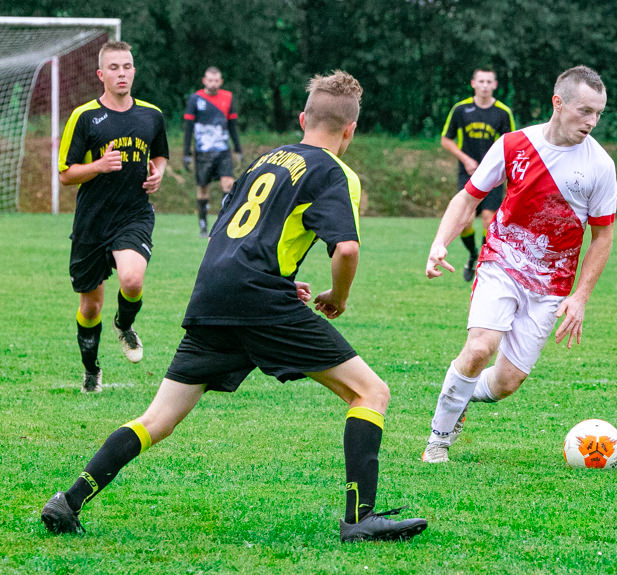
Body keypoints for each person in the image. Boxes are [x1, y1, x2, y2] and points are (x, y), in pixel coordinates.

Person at [41, 70, 428, 544]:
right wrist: (337, 297)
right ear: (350, 130)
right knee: (371, 393)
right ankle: (360, 519)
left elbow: (234, 227)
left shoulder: (265, 161)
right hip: (260, 299)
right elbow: (345, 249)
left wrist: (281, 278)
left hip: (215, 294)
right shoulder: (335, 171)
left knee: (156, 419)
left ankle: (69, 499)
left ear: (303, 117)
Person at [421, 65, 617, 463]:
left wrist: (580, 296)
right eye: (584, 111)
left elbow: (602, 237)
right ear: (557, 103)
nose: (592, 122)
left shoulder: (600, 166)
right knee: (479, 348)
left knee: (507, 383)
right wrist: (440, 242)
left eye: (598, 113)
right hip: (502, 262)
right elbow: (468, 198)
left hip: (552, 283)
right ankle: (438, 441)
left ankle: (460, 394)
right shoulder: (514, 144)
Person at [58, 41, 169, 393]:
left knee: (132, 280)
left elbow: (161, 155)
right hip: (92, 222)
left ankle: (125, 324)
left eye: (128, 66)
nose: (122, 73)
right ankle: (91, 370)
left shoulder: (151, 115)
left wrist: (159, 173)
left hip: (133, 215)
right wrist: (99, 166)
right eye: (115, 68)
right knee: (90, 308)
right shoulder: (85, 116)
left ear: (134, 70)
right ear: (101, 74)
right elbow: (65, 173)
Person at [441, 68, 516, 282]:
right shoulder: (461, 109)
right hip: (468, 174)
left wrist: (503, 169)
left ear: (495, 85)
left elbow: (511, 144)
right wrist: (465, 159)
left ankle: (483, 261)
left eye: (489, 81)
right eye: (481, 81)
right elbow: (446, 139)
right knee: (465, 222)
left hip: (494, 176)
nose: (484, 85)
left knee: (487, 219)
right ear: (473, 83)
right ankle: (473, 255)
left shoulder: (503, 113)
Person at [183, 66, 243, 238]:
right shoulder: (195, 99)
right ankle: (203, 224)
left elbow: (232, 126)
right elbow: (188, 127)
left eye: (216, 80)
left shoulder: (228, 98)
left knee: (228, 184)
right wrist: (186, 153)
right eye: (210, 80)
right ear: (204, 81)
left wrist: (238, 150)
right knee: (203, 189)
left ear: (221, 82)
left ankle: (223, 223)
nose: (213, 84)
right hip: (203, 153)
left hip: (223, 150)